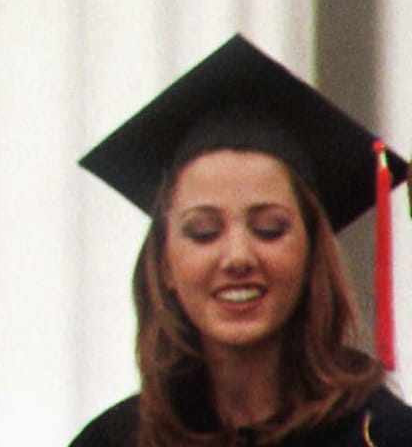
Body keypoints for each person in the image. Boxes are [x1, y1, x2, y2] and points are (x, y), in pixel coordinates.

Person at [70, 34, 412, 447]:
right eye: (203, 232)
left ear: (312, 254)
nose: (237, 257)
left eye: (269, 229)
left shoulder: (383, 436)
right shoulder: (116, 440)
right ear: (164, 265)